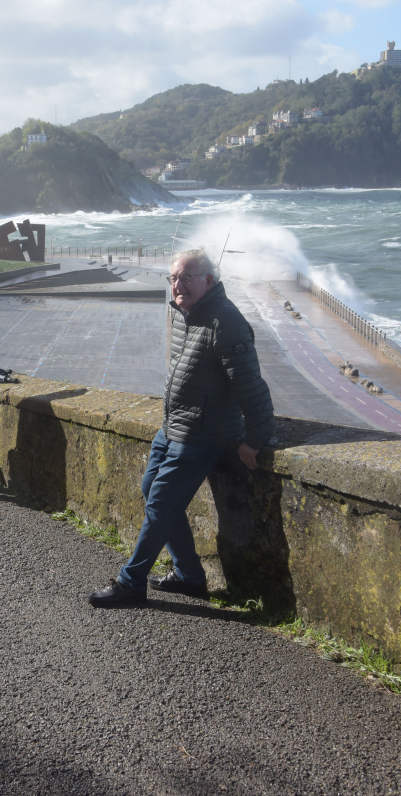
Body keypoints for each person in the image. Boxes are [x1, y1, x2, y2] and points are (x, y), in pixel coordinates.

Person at [89, 248, 275, 608]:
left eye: (186, 277)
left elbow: (250, 385)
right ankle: (189, 575)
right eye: (173, 277)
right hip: (173, 426)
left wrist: (255, 439)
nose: (178, 284)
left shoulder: (226, 321)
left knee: (160, 503)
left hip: (203, 433)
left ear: (209, 280)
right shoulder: (186, 315)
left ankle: (131, 582)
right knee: (150, 490)